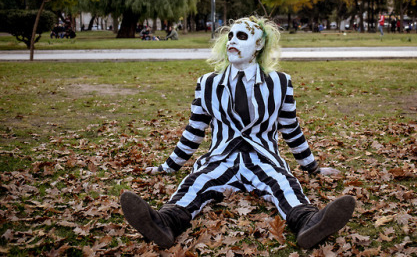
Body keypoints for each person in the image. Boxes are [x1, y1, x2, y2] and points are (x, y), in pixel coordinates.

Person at [120, 16, 356, 250]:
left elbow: (291, 128)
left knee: (283, 184)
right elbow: (194, 130)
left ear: (259, 45)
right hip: (221, 159)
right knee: (196, 183)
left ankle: (308, 222)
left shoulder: (281, 82)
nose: (232, 41)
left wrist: (312, 167)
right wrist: (168, 167)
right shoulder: (207, 83)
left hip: (262, 158)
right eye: (230, 36)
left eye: (242, 36)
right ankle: (164, 223)